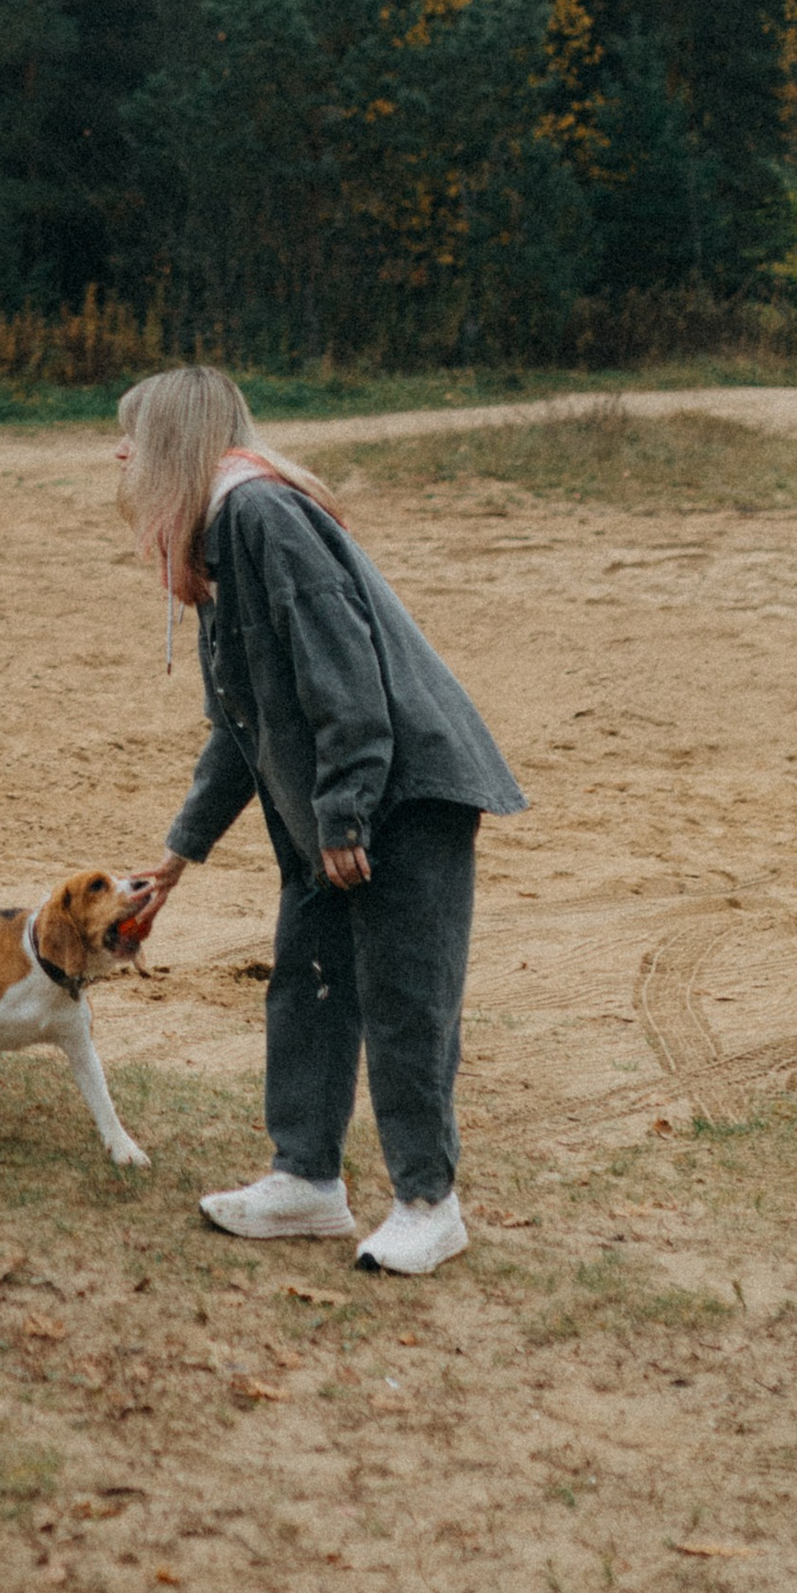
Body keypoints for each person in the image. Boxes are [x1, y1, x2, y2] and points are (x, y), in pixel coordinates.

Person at [121, 366, 526, 1277]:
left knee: (403, 1000)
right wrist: (178, 855)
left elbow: (343, 668)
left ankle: (430, 1204)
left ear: (174, 446)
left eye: (135, 441)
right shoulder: (219, 541)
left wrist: (345, 813)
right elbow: (242, 724)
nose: (123, 460)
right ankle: (306, 1181)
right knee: (305, 979)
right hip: (330, 811)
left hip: (400, 795)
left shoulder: (259, 516)